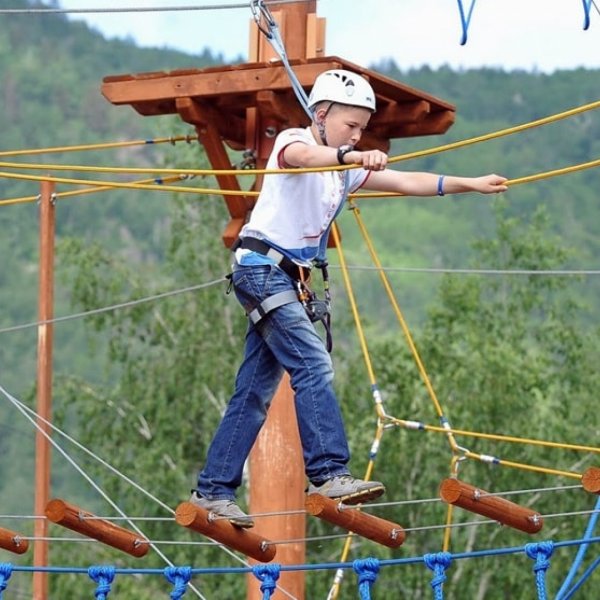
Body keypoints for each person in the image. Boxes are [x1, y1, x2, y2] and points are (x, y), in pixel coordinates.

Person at [190, 69, 508, 528]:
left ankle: (213, 489)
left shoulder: (341, 175)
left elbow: (405, 182)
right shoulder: (294, 142)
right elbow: (304, 156)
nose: (357, 133)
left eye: (361, 127)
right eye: (349, 124)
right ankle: (327, 473)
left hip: (280, 279)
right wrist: (349, 153)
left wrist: (469, 183)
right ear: (321, 114)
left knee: (256, 391)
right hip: (262, 272)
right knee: (313, 365)